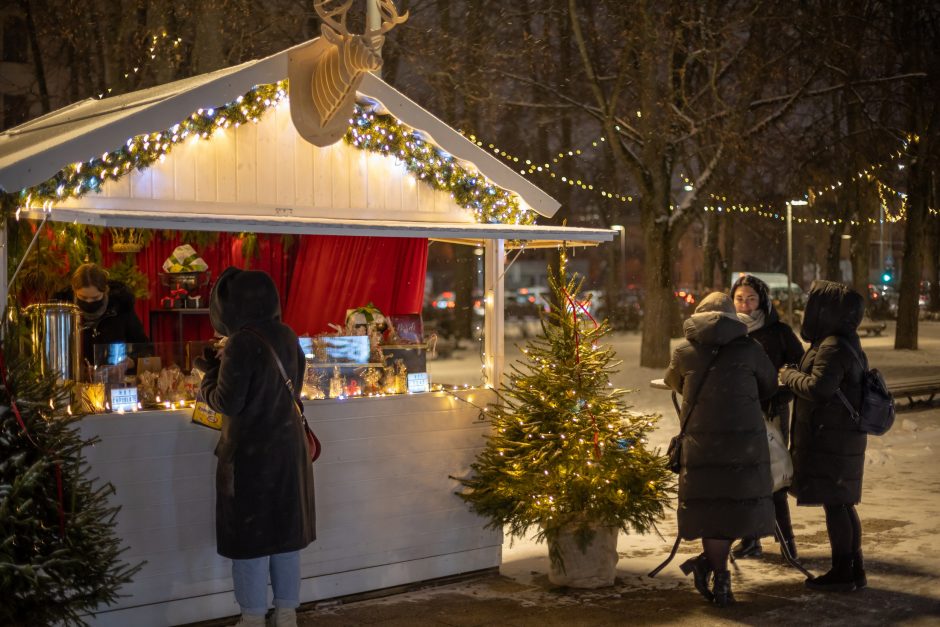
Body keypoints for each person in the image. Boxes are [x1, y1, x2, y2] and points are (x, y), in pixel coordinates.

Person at [195, 268, 316, 627]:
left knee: (249, 538)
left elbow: (226, 402)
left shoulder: (240, 341)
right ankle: (286, 612)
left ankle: (251, 616)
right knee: (284, 536)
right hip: (288, 451)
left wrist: (207, 373)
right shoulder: (287, 334)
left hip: (250, 456)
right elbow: (289, 387)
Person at [664, 292, 778, 607]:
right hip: (743, 447)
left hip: (702, 447)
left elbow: (673, 381)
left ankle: (719, 578)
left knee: (710, 509)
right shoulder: (751, 350)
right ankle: (713, 572)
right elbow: (769, 385)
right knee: (734, 505)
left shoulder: (685, 351)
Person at [778, 280, 868, 592]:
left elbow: (819, 388)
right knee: (843, 504)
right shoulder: (843, 340)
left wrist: (789, 375)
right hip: (839, 438)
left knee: (836, 505)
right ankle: (853, 569)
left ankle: (844, 571)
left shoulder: (832, 345)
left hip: (831, 440)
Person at [730, 274, 805, 560]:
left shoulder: (778, 331)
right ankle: (751, 539)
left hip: (772, 411)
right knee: (745, 477)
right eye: (739, 299)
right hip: (739, 414)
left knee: (773, 479)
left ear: (762, 299)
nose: (745, 305)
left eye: (750, 298)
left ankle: (787, 543)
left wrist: (782, 382)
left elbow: (800, 364)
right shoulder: (728, 329)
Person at [60, 263, 149, 374]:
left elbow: (145, 349)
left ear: (105, 290)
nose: (89, 302)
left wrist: (130, 362)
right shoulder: (62, 313)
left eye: (95, 298)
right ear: (74, 291)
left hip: (115, 382)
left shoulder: (121, 308)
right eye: (83, 297)